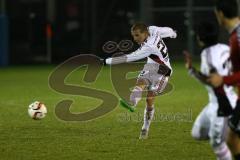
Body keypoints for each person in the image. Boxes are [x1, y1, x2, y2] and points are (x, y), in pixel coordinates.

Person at [103, 22, 177, 139]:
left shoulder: (149, 47)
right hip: (151, 66)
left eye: (137, 35)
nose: (135, 38)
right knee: (141, 82)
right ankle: (132, 102)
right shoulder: (152, 29)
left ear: (145, 33)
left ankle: (145, 127)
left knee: (149, 99)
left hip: (164, 71)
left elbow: (129, 57)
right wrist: (173, 33)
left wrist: (106, 61)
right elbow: (165, 30)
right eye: (133, 35)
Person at [184, 21, 237, 160]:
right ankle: (229, 132)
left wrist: (223, 108)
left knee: (217, 144)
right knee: (197, 133)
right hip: (217, 101)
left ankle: (228, 134)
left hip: (222, 103)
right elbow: (213, 79)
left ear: (199, 38)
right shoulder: (225, 47)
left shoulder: (207, 55)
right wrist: (192, 70)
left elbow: (214, 81)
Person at [207, 0, 240, 159]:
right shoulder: (234, 35)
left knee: (232, 138)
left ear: (220, 13)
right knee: (232, 138)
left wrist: (224, 80)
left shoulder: (238, 36)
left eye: (216, 14)